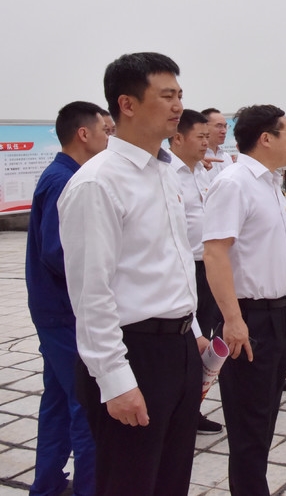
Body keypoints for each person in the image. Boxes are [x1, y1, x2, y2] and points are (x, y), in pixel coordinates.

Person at [58, 52, 206, 496]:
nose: (178, 106)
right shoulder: (98, 183)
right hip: (134, 353)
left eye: (180, 94)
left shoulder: (164, 172)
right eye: (167, 96)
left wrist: (194, 331)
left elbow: (174, 261)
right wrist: (115, 382)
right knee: (129, 482)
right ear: (127, 104)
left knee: (172, 480)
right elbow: (91, 294)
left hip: (179, 350)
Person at [202, 104, 286, 495]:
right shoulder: (234, 183)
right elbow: (215, 253)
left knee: (264, 420)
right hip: (248, 320)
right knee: (248, 428)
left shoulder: (269, 182)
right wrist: (233, 319)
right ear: (266, 138)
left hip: (280, 315)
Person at [26, 101, 107, 496]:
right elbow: (58, 253)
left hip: (54, 308)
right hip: (63, 311)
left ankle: (47, 484)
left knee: (58, 402)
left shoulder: (65, 175)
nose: (110, 139)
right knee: (86, 406)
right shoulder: (65, 181)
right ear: (83, 134)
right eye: (106, 131)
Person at [167, 109, 223, 436]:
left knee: (207, 341)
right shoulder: (168, 175)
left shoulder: (202, 172)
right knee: (190, 343)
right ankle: (184, 411)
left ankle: (194, 406)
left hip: (208, 266)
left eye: (207, 136)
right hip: (184, 269)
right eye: (200, 137)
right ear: (177, 138)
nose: (206, 142)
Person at [201, 108, 233, 178]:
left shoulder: (226, 157)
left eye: (225, 126)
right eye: (219, 126)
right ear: (204, 126)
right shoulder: (197, 158)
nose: (224, 131)